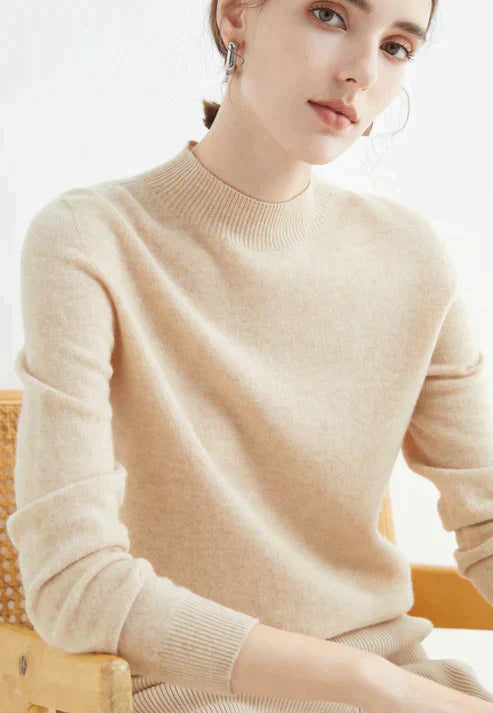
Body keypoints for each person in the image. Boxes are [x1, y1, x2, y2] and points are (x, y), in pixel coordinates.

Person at [7, 0, 493, 712]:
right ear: (235, 15)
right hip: (198, 696)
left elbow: (486, 523)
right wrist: (366, 681)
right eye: (329, 15)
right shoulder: (90, 240)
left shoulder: (411, 259)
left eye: (396, 47)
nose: (361, 71)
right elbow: (75, 584)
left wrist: (391, 687)